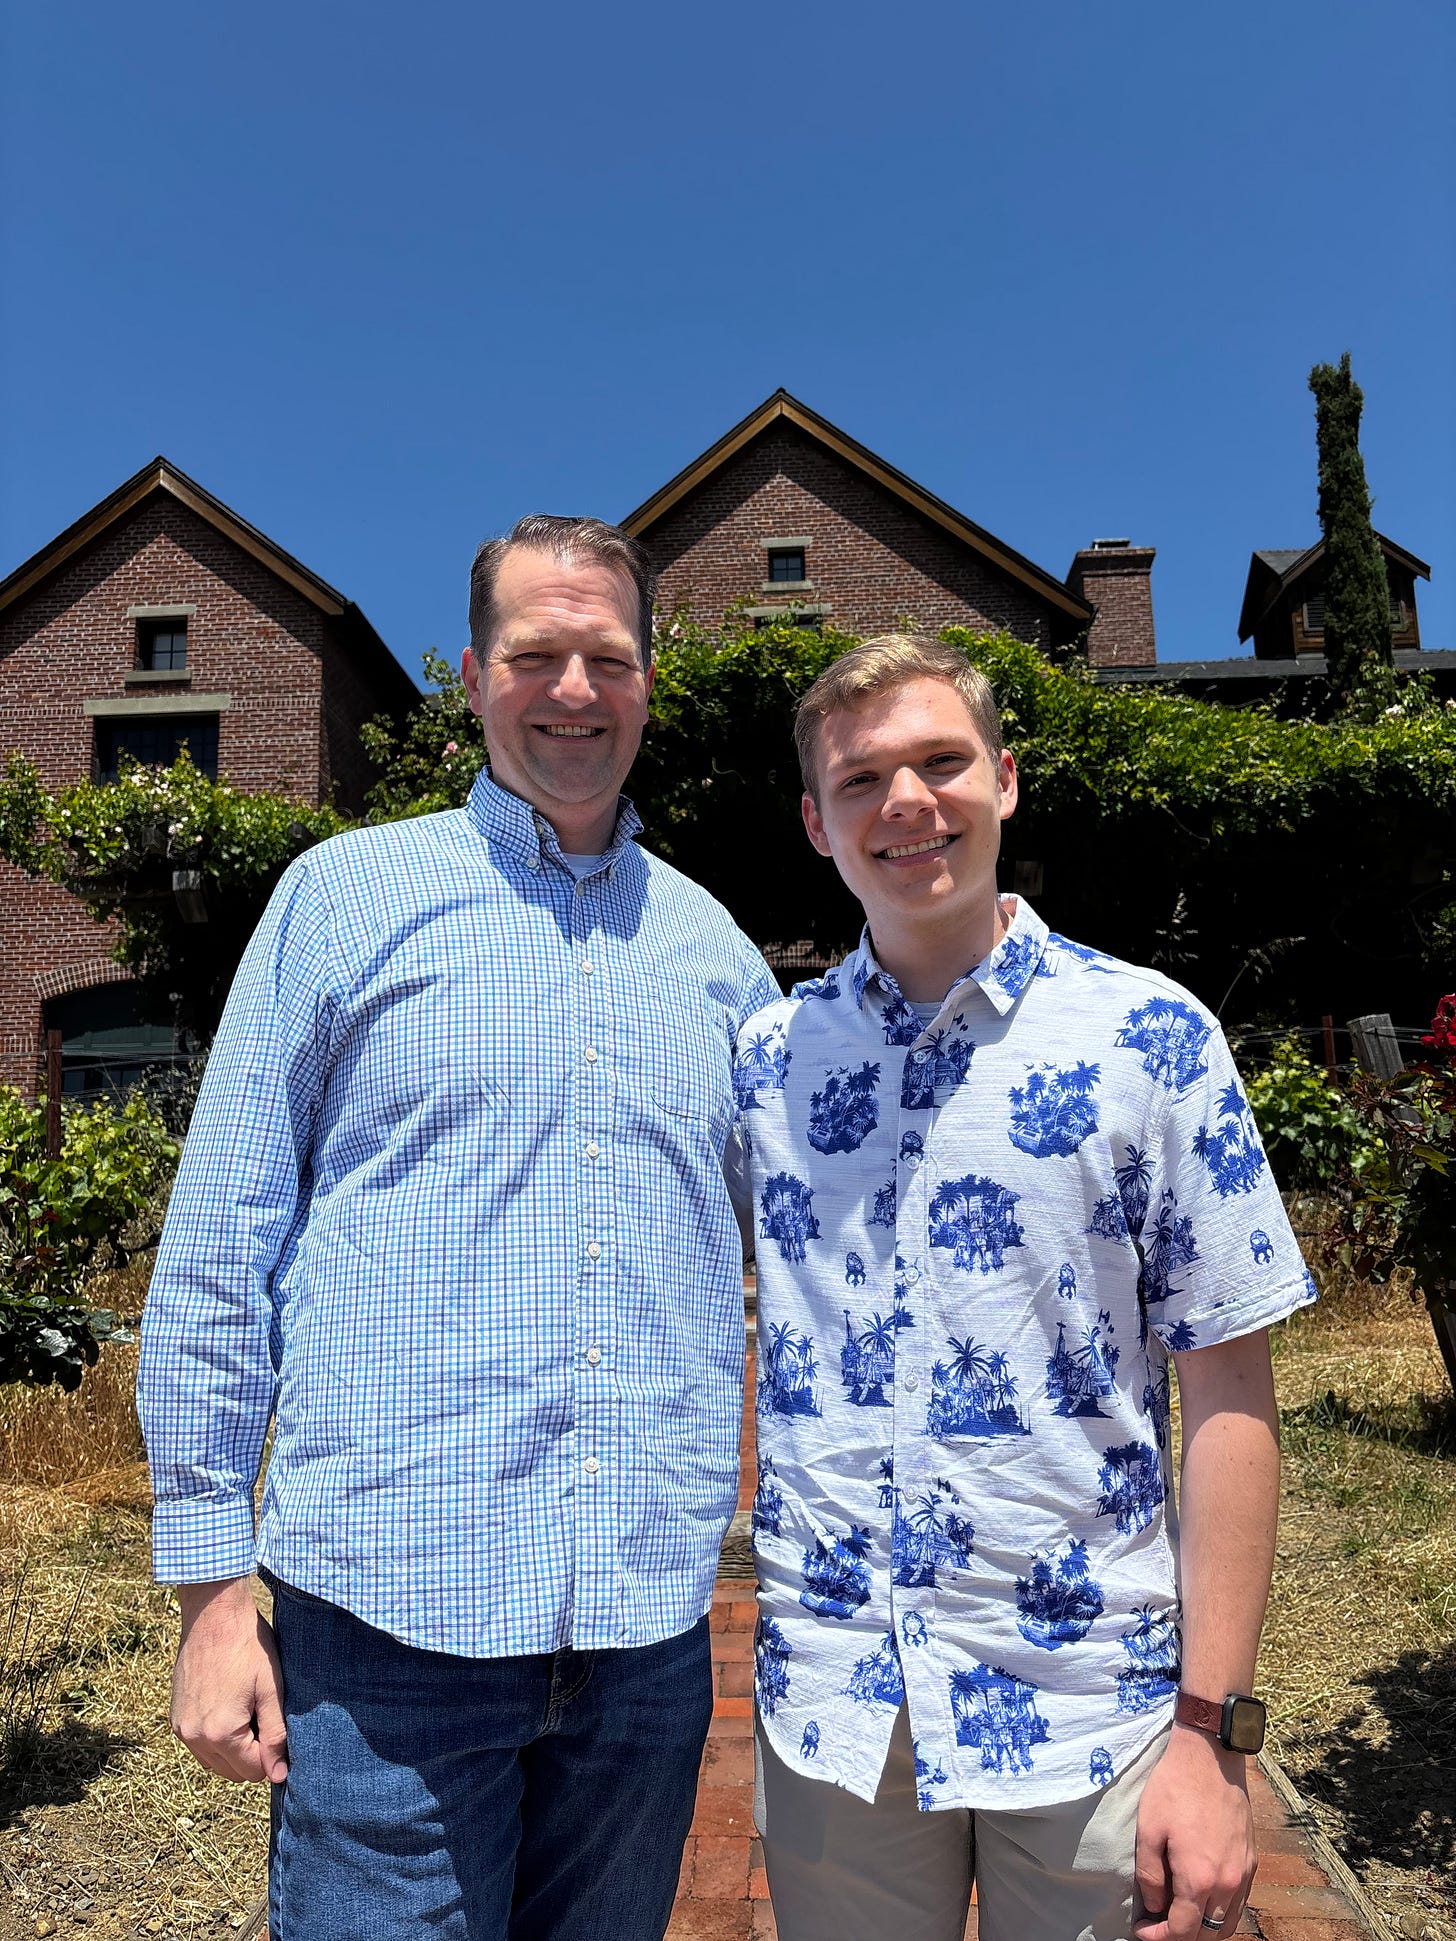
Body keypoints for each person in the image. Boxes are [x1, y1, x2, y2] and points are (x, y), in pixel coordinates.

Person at [138, 515, 780, 1941]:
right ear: (478, 676)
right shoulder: (342, 898)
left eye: (606, 657)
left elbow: (803, 1278)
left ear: (647, 684)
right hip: (390, 1638)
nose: (573, 689)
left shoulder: (721, 961)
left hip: (644, 1641)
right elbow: (221, 1240)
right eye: (537, 655)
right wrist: (206, 1595)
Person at [730, 635, 1313, 1941]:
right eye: (862, 775)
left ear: (1003, 777)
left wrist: (1215, 1739)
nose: (906, 801)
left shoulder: (1152, 1038)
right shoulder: (764, 1064)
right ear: (815, 821)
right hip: (839, 1707)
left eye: (940, 760)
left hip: (1096, 1703)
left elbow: (1227, 1387)